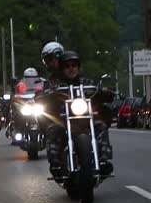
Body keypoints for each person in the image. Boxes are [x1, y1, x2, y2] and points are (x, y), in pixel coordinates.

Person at [46, 50, 115, 178]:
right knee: (53, 128)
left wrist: (106, 90)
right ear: (61, 68)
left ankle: (104, 160)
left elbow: (99, 90)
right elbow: (44, 95)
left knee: (100, 125)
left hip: (85, 118)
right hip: (64, 119)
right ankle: (55, 162)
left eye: (74, 65)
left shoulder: (87, 83)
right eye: (67, 66)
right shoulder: (56, 85)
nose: (71, 69)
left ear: (78, 67)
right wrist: (44, 95)